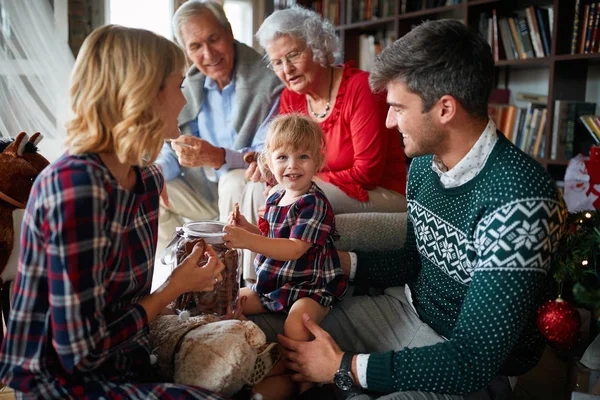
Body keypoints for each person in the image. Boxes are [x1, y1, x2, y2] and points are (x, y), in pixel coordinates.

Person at [249, 19, 567, 400]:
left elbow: (473, 359)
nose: (388, 120)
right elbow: (414, 261)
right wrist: (336, 261)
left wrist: (344, 367)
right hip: (403, 311)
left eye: (398, 107)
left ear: (445, 108)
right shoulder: (423, 164)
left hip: (462, 364)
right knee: (261, 328)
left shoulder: (521, 199)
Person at [0, 25, 227, 399]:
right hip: (60, 384)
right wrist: (173, 288)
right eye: (178, 86)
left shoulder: (148, 179)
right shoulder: (75, 188)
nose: (184, 102)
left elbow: (124, 305)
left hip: (130, 362)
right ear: (143, 94)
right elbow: (78, 355)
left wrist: (192, 296)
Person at [238, 5, 407, 283]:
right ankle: (252, 283)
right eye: (277, 62)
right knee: (259, 188)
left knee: (284, 196)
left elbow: (367, 173)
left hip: (379, 191)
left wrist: (291, 185)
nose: (286, 69)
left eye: (293, 55)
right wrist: (267, 168)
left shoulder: (361, 88)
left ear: (318, 48)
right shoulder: (291, 98)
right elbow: (285, 154)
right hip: (324, 182)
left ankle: (273, 283)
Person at [154, 0, 284, 286]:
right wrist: (160, 171)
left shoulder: (268, 79)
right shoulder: (186, 86)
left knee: (233, 180)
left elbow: (271, 152)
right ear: (185, 51)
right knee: (153, 184)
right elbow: (168, 146)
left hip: (249, 186)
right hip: (204, 192)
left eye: (214, 39)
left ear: (229, 31)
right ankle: (174, 281)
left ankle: (233, 282)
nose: (208, 53)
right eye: (195, 46)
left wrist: (220, 158)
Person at [223, 114, 348, 395]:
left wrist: (247, 242)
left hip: (310, 287)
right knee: (233, 300)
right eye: (282, 157)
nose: (292, 165)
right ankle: (259, 353)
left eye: (302, 156)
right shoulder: (273, 197)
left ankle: (305, 384)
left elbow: (293, 248)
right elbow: (272, 238)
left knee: (296, 322)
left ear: (318, 160)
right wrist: (249, 230)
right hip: (275, 284)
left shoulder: (314, 202)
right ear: (268, 162)